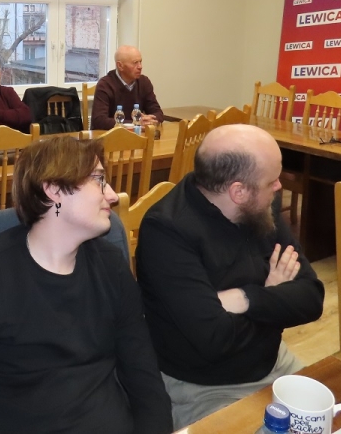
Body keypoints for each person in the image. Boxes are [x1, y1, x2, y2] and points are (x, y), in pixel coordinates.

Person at [0, 137, 173, 434]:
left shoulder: (111, 266)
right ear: (53, 190)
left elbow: (145, 381)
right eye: (98, 180)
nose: (113, 195)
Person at [136, 125, 324, 430]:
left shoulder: (261, 204)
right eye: (272, 181)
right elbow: (214, 342)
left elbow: (312, 298)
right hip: (204, 386)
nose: (280, 187)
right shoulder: (167, 231)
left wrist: (246, 297)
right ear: (239, 192)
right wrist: (275, 297)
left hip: (274, 363)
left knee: (335, 419)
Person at [91, 45, 164, 130]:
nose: (140, 66)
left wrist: (150, 120)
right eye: (135, 63)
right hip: (110, 136)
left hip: (138, 135)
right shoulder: (105, 85)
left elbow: (158, 112)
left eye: (140, 62)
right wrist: (134, 123)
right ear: (120, 66)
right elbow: (99, 120)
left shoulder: (144, 82)